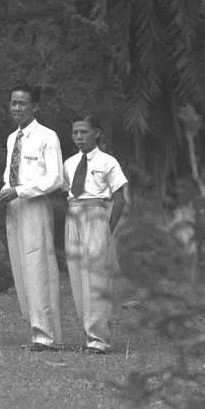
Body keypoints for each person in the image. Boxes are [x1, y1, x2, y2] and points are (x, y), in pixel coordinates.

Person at [0, 84, 64, 351]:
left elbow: (55, 178)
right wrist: (2, 195)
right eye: (13, 103)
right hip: (15, 207)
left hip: (34, 205)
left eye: (22, 103)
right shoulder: (13, 138)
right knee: (21, 268)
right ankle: (35, 330)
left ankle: (47, 335)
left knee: (38, 266)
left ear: (35, 107)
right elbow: (9, 175)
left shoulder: (47, 136)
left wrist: (20, 191)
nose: (16, 108)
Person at [62, 114, 128, 354]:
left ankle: (100, 339)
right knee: (78, 275)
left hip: (96, 214)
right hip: (74, 214)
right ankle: (88, 332)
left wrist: (107, 227)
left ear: (97, 133)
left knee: (97, 277)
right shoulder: (69, 164)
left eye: (84, 132)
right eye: (75, 133)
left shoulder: (108, 162)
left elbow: (120, 198)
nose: (79, 137)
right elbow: (66, 191)